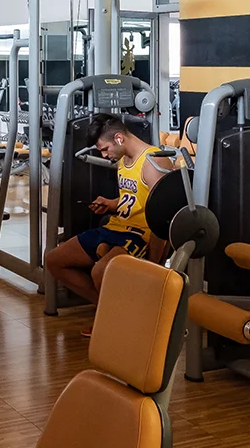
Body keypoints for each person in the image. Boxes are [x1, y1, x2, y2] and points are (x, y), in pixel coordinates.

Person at [45, 113, 170, 306]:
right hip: (115, 227)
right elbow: (136, 197)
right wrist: (111, 204)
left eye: (105, 149)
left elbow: (163, 215)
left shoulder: (154, 162)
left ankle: (118, 316)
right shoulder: (124, 159)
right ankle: (108, 311)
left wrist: (154, 266)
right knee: (54, 260)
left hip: (139, 235)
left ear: (119, 138)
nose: (104, 155)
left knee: (101, 272)